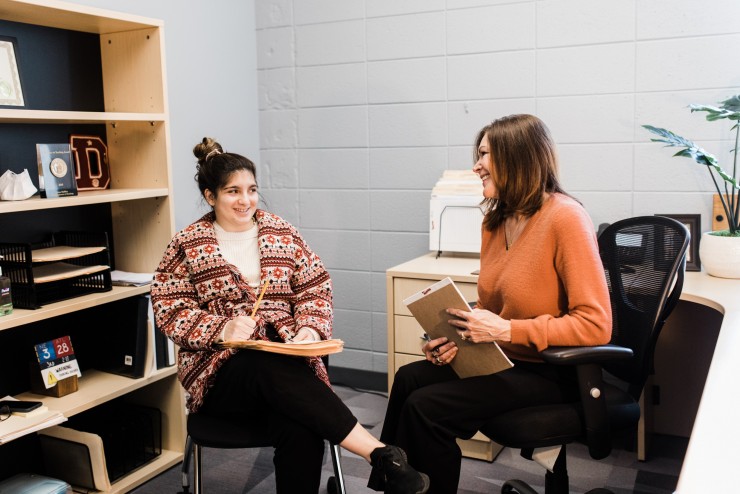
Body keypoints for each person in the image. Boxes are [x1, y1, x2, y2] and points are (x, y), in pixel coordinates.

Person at [151, 137, 430, 494]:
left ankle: (382, 458)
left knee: (301, 423)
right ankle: (377, 452)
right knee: (259, 364)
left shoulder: (282, 233)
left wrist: (310, 330)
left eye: (252, 190)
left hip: (286, 367)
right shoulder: (186, 244)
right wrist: (224, 328)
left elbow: (315, 287)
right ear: (210, 196)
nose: (246, 200)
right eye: (233, 192)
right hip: (219, 376)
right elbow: (168, 308)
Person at [371, 114, 612, 493]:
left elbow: (596, 325)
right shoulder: (495, 221)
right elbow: (489, 306)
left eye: (484, 154)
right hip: (504, 359)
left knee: (427, 408)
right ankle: (395, 488)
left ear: (517, 157)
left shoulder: (566, 218)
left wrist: (508, 329)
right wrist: (455, 338)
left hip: (551, 371)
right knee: (407, 380)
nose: (476, 165)